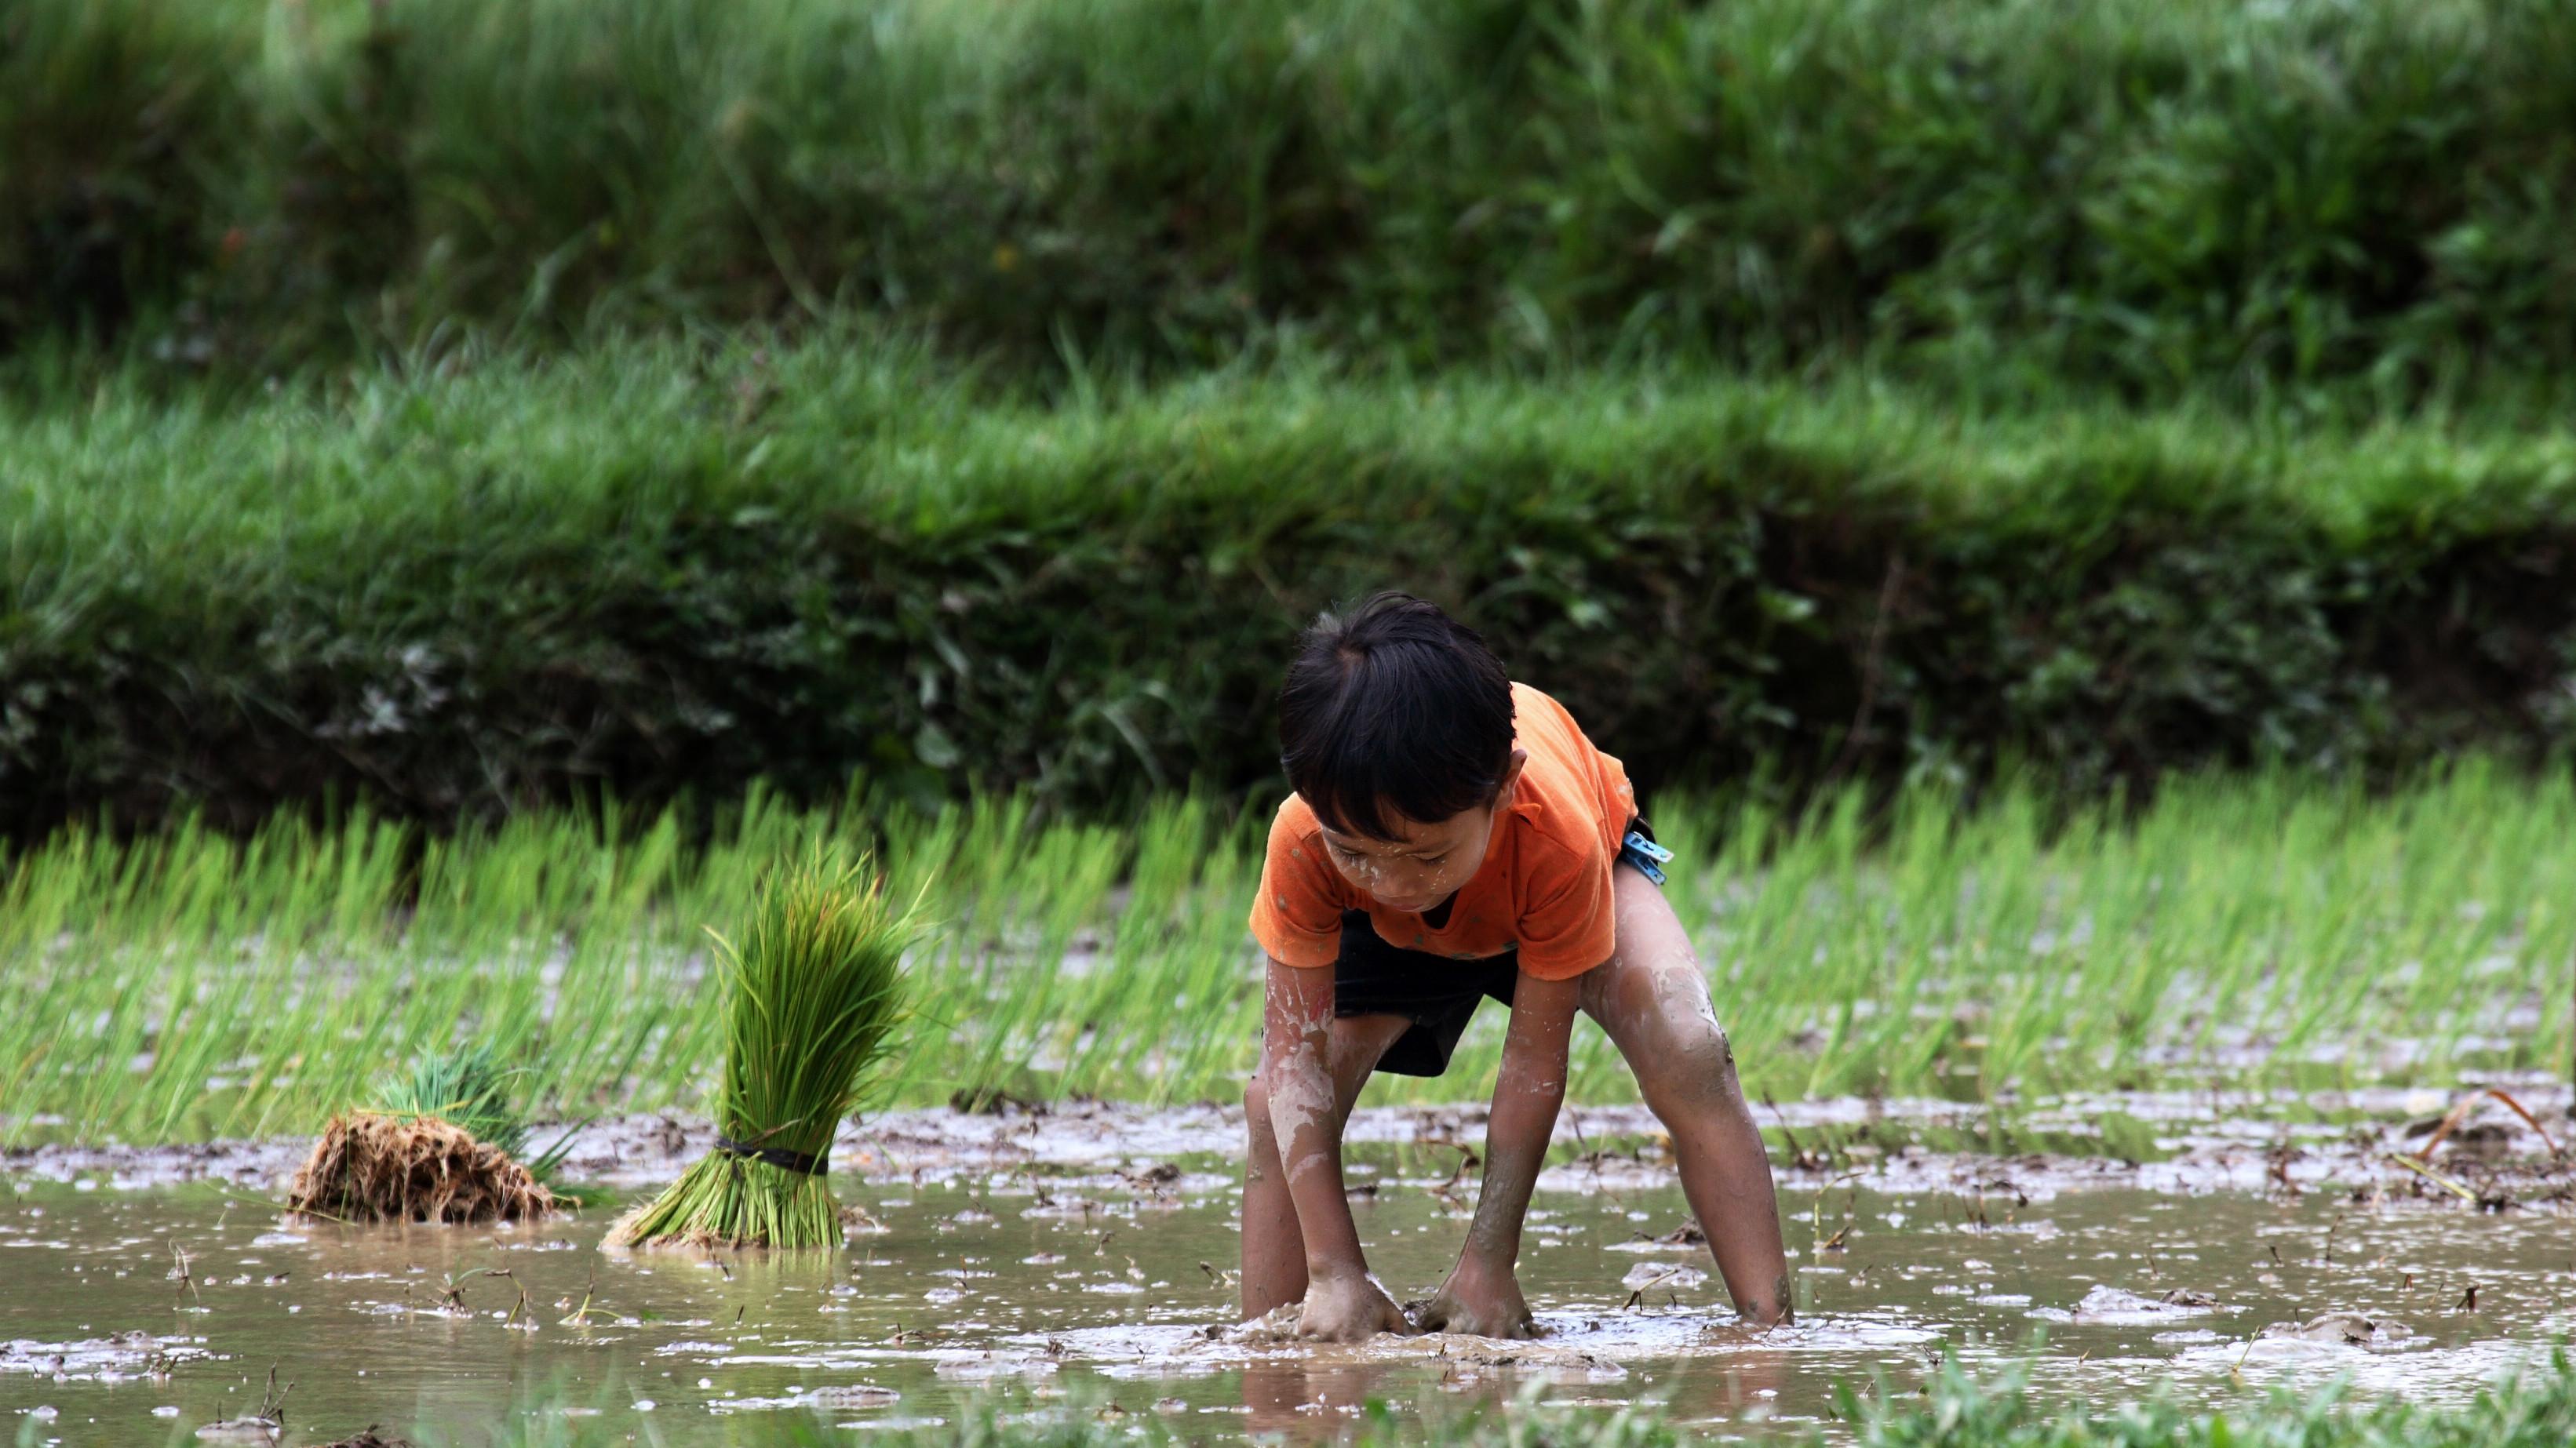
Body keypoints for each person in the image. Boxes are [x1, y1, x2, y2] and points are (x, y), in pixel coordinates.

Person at [1240, 591, 1791, 1341]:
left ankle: (1769, 1330)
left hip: (1552, 877)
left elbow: (1532, 1063)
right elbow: (1293, 1059)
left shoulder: (1551, 834)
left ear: (1502, 784)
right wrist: (1337, 1267)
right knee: (1277, 1102)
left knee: (1686, 1039)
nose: (1395, 881)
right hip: (1389, 933)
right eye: (1355, 850)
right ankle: (1281, 1341)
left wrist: (1487, 1262)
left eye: (1425, 853)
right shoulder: (1308, 841)